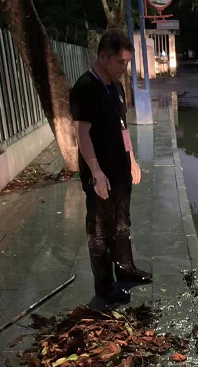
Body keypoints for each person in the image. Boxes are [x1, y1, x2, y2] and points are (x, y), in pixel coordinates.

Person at [70, 31, 152, 303]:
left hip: (120, 170)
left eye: (127, 62)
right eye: (120, 62)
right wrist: (96, 172)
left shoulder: (116, 87)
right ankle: (104, 286)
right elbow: (82, 134)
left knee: (122, 222)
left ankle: (126, 270)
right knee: (100, 230)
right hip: (100, 174)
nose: (124, 68)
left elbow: (123, 127)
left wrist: (132, 159)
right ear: (103, 56)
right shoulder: (85, 87)